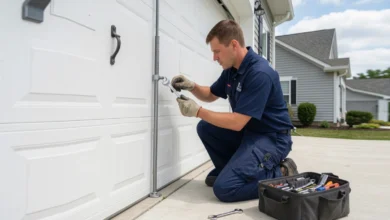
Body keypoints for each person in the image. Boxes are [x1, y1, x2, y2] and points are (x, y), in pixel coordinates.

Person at [171, 19, 298, 203]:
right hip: (250, 133)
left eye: (216, 51)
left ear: (233, 45)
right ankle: (231, 170)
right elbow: (211, 94)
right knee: (205, 127)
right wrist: (191, 86)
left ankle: (282, 171)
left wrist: (197, 111)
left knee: (225, 188)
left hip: (271, 138)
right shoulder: (232, 70)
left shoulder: (259, 74)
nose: (214, 57)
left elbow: (237, 123)